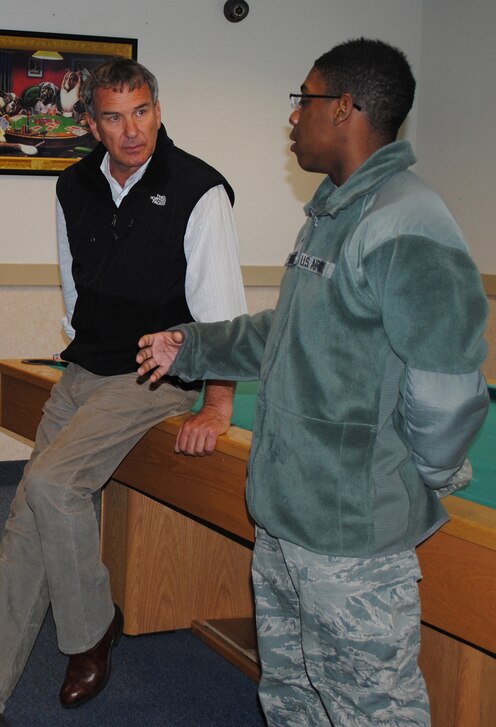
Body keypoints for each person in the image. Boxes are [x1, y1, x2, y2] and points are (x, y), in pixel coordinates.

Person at [136, 38, 488, 725]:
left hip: (351, 539)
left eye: (305, 99)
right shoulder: (333, 213)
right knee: (292, 695)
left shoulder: (408, 223)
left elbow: (447, 391)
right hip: (288, 519)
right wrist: (194, 345)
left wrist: (414, 475)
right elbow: (289, 332)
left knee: (371, 711)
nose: (293, 116)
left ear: (345, 108)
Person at [0, 58, 247, 711]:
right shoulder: (73, 184)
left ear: (158, 111)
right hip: (85, 368)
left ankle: (91, 631)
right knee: (26, 520)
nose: (131, 130)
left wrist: (217, 402)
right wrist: (72, 356)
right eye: (114, 117)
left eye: (141, 112)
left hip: (154, 375)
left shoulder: (200, 189)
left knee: (54, 486)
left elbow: (223, 312)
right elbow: (74, 285)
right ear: (91, 123)